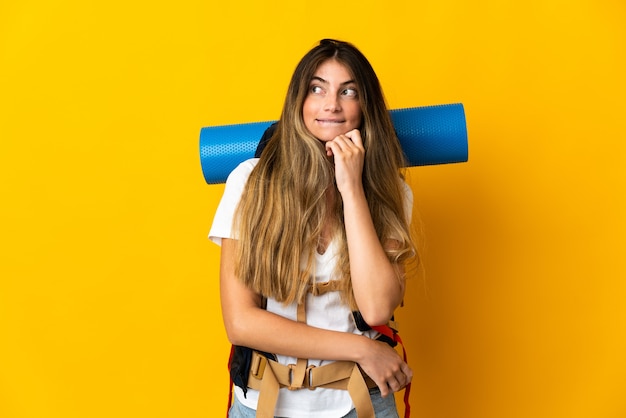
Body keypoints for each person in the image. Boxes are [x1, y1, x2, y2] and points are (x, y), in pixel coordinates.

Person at [209, 39, 417, 418]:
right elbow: (240, 323)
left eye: (348, 91)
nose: (331, 104)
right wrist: (362, 349)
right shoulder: (250, 182)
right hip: (265, 404)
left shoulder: (391, 191)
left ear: (363, 107)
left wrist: (352, 189)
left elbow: (376, 308)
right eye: (317, 88)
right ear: (299, 102)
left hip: (361, 403)